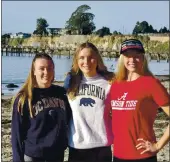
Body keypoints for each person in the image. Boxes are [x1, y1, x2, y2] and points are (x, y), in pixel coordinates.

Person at [110, 39, 170, 162]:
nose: (132, 60)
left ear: (143, 58)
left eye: (137, 56)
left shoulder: (151, 83)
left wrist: (158, 146)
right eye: (128, 56)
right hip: (118, 155)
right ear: (122, 58)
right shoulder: (115, 84)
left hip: (143, 156)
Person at [11, 53, 71, 162]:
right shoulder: (24, 98)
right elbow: (16, 136)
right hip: (34, 156)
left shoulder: (61, 93)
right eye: (41, 69)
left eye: (50, 68)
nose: (46, 72)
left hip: (57, 155)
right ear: (33, 71)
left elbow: (69, 119)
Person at [64, 42, 114, 162]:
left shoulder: (110, 82)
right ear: (76, 60)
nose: (86, 62)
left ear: (97, 59)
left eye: (91, 57)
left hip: (102, 146)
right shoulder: (70, 83)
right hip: (77, 147)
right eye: (82, 58)